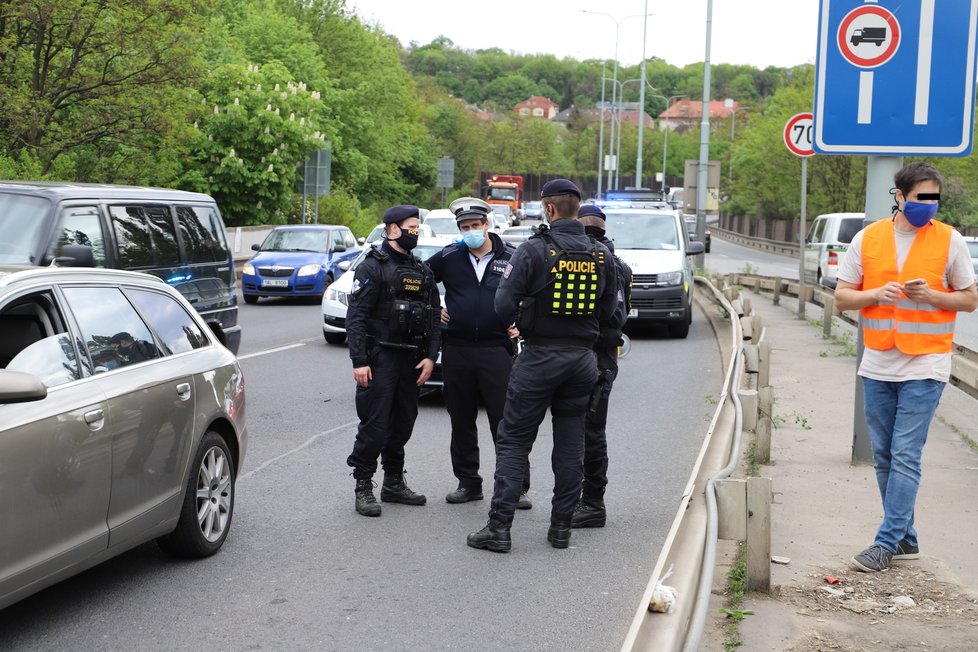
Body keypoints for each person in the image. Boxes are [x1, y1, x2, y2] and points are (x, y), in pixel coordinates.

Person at [834, 162, 977, 572]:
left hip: (927, 363)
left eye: (934, 198)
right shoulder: (868, 239)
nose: (928, 206)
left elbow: (969, 300)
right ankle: (906, 538)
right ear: (899, 195)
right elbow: (842, 298)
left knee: (905, 454)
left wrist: (931, 296)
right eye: (920, 198)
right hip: (879, 361)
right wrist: (877, 292)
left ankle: (884, 543)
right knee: (883, 455)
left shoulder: (949, 241)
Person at [466, 179, 619, 552]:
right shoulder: (602, 256)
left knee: (515, 440)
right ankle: (561, 528)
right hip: (582, 360)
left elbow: (503, 305)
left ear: (548, 209)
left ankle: (499, 527)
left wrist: (525, 316)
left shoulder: (534, 250)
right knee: (570, 444)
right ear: (576, 209)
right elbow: (612, 313)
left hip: (539, 357)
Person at [425, 197, 532, 509]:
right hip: (457, 349)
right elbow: (417, 282)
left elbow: (534, 292)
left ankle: (515, 486)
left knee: (506, 422)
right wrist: (436, 309)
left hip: (496, 350)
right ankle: (468, 483)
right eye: (464, 227)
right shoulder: (449, 257)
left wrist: (523, 323)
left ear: (487, 224)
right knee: (461, 420)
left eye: (475, 225)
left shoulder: (512, 257)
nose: (470, 231)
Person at [345, 205, 442, 517]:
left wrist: (430, 357)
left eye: (417, 227)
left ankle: (393, 483)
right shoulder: (372, 267)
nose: (416, 231)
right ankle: (363, 485)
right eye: (411, 226)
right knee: (375, 424)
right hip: (380, 356)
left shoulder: (422, 270)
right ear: (393, 228)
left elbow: (434, 321)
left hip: (411, 358)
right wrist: (359, 361)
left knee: (403, 424)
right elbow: (356, 317)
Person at [572, 204, 632, 528]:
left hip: (594, 354)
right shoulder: (620, 264)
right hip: (602, 355)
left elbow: (614, 315)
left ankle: (593, 502)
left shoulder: (606, 264)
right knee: (583, 429)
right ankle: (582, 498)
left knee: (589, 431)